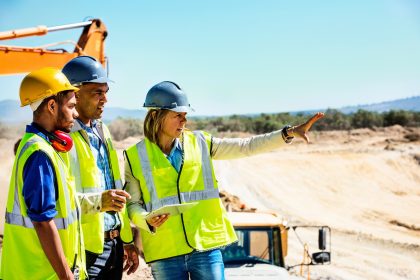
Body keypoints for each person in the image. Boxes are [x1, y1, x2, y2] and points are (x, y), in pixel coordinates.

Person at [124, 81, 324, 280]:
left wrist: (286, 133)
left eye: (185, 116)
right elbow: (132, 204)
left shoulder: (201, 143)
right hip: (165, 252)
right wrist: (145, 219)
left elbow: (246, 146)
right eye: (178, 116)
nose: (184, 122)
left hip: (205, 248)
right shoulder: (134, 156)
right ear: (156, 116)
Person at [1, 67, 85, 279]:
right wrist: (66, 276)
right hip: (41, 274)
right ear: (51, 105)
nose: (76, 113)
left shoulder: (41, 146)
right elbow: (42, 221)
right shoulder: (39, 153)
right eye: (72, 106)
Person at [61, 56, 139, 279]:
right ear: (74, 93)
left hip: (113, 247)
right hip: (83, 250)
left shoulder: (102, 130)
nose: (105, 99)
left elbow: (114, 191)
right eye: (98, 92)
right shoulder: (61, 138)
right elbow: (58, 202)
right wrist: (98, 202)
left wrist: (126, 241)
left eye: (106, 92)